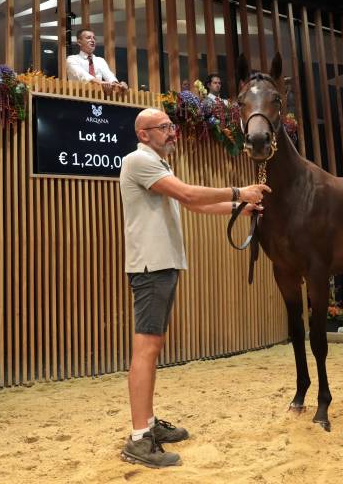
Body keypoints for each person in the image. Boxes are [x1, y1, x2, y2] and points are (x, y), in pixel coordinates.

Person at [118, 107, 269, 468]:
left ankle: (149, 425)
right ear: (144, 134)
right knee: (147, 348)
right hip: (152, 267)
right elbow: (187, 196)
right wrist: (239, 190)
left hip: (162, 266)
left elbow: (196, 207)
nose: (173, 132)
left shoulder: (158, 165)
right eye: (165, 127)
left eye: (172, 126)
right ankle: (140, 438)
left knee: (152, 346)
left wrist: (237, 206)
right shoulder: (138, 161)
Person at [66, 28, 128, 95]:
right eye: (88, 38)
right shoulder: (72, 59)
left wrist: (118, 85)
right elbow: (83, 76)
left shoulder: (100, 60)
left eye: (94, 38)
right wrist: (101, 83)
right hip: (77, 97)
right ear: (79, 42)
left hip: (98, 98)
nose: (92, 40)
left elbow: (109, 76)